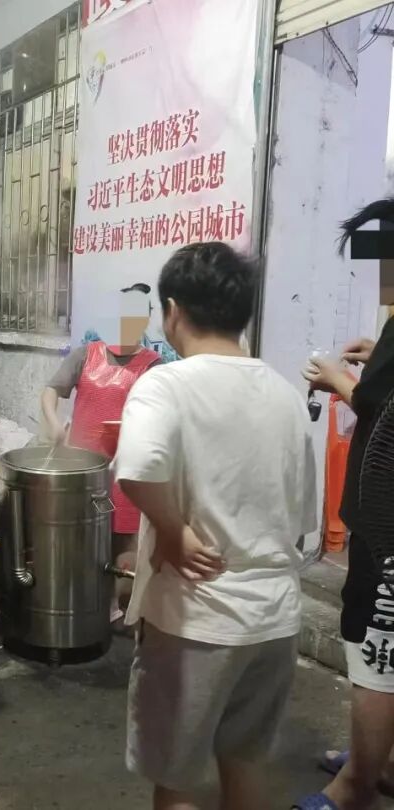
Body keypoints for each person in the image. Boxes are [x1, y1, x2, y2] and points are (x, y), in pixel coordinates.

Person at [114, 242, 317, 810]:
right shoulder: (284, 394)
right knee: (244, 763)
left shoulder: (167, 384)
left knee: (177, 779)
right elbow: (302, 516)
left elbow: (136, 468)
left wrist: (172, 529)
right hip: (274, 620)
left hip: (196, 620)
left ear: (172, 311)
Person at [300, 198, 394, 810]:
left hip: (387, 529)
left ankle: (356, 785)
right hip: (379, 518)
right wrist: (377, 355)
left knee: (373, 647)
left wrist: (338, 381)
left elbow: (384, 410)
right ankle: (378, 761)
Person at [42, 283, 161, 617]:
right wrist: (54, 422)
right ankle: (77, 604)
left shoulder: (153, 366)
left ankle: (117, 608)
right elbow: (51, 390)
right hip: (82, 470)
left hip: (126, 471)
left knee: (123, 544)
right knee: (79, 538)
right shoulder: (86, 354)